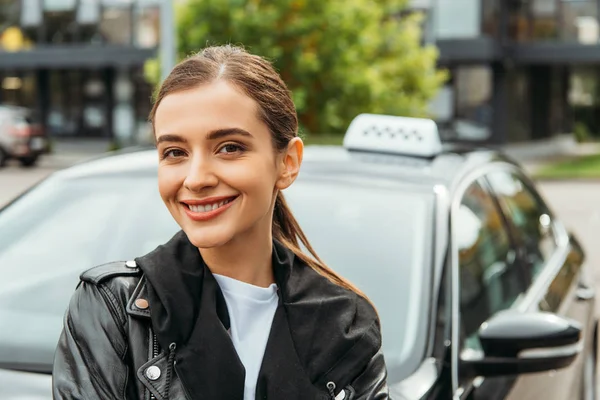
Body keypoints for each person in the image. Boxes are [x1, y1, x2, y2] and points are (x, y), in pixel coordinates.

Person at [52, 45, 390, 400]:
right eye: (175, 153)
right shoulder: (114, 309)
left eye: (229, 147)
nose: (196, 179)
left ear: (287, 162)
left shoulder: (345, 325)